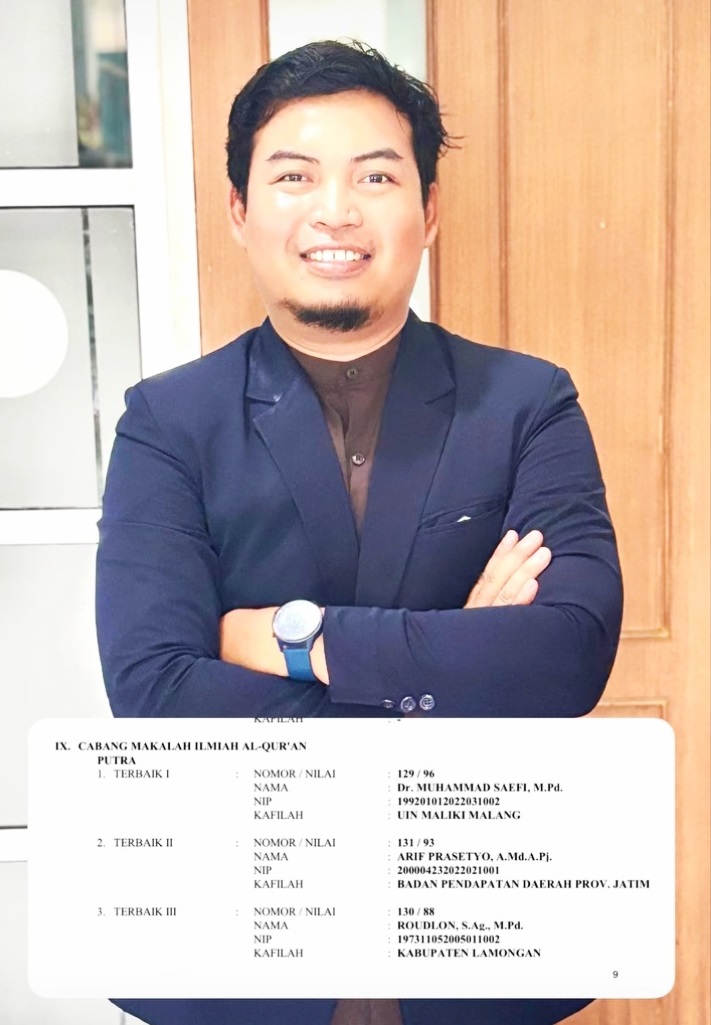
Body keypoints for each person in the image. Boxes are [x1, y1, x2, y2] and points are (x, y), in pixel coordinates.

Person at [96, 40, 622, 1025]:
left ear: (429, 209)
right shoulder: (168, 422)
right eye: (294, 176)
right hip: (238, 942)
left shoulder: (527, 403)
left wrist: (290, 639)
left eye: (375, 176)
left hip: (478, 936)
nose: (335, 210)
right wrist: (447, 680)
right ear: (240, 210)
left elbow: (565, 656)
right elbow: (157, 693)